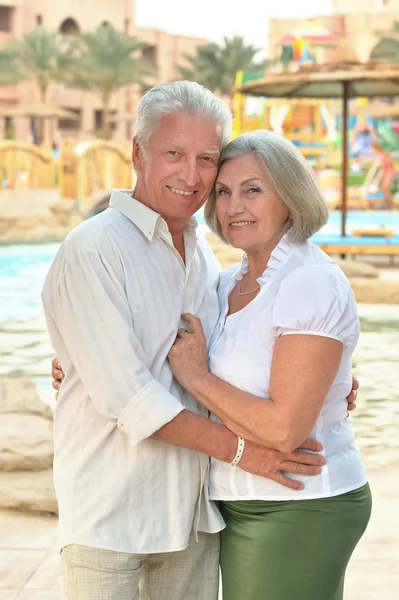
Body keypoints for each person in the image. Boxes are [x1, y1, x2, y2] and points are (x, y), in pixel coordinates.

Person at [43, 81, 335, 600]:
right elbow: (128, 398)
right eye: (174, 153)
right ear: (138, 152)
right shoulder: (93, 249)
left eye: (206, 159)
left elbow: (247, 349)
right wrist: (247, 453)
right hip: (110, 517)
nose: (191, 176)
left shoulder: (206, 263)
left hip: (193, 521)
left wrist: (328, 375)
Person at [167, 130, 372, 600]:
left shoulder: (309, 282)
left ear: (290, 196)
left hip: (298, 504)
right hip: (238, 501)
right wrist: (81, 365)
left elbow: (284, 430)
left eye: (253, 189)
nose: (234, 206)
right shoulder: (225, 284)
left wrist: (197, 377)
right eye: (223, 192)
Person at [371, 142, 396, 209]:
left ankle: (390, 204)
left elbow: (390, 161)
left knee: (385, 187)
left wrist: (382, 164)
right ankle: (387, 203)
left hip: (390, 171)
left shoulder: (383, 153)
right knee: (384, 188)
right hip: (387, 171)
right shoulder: (380, 155)